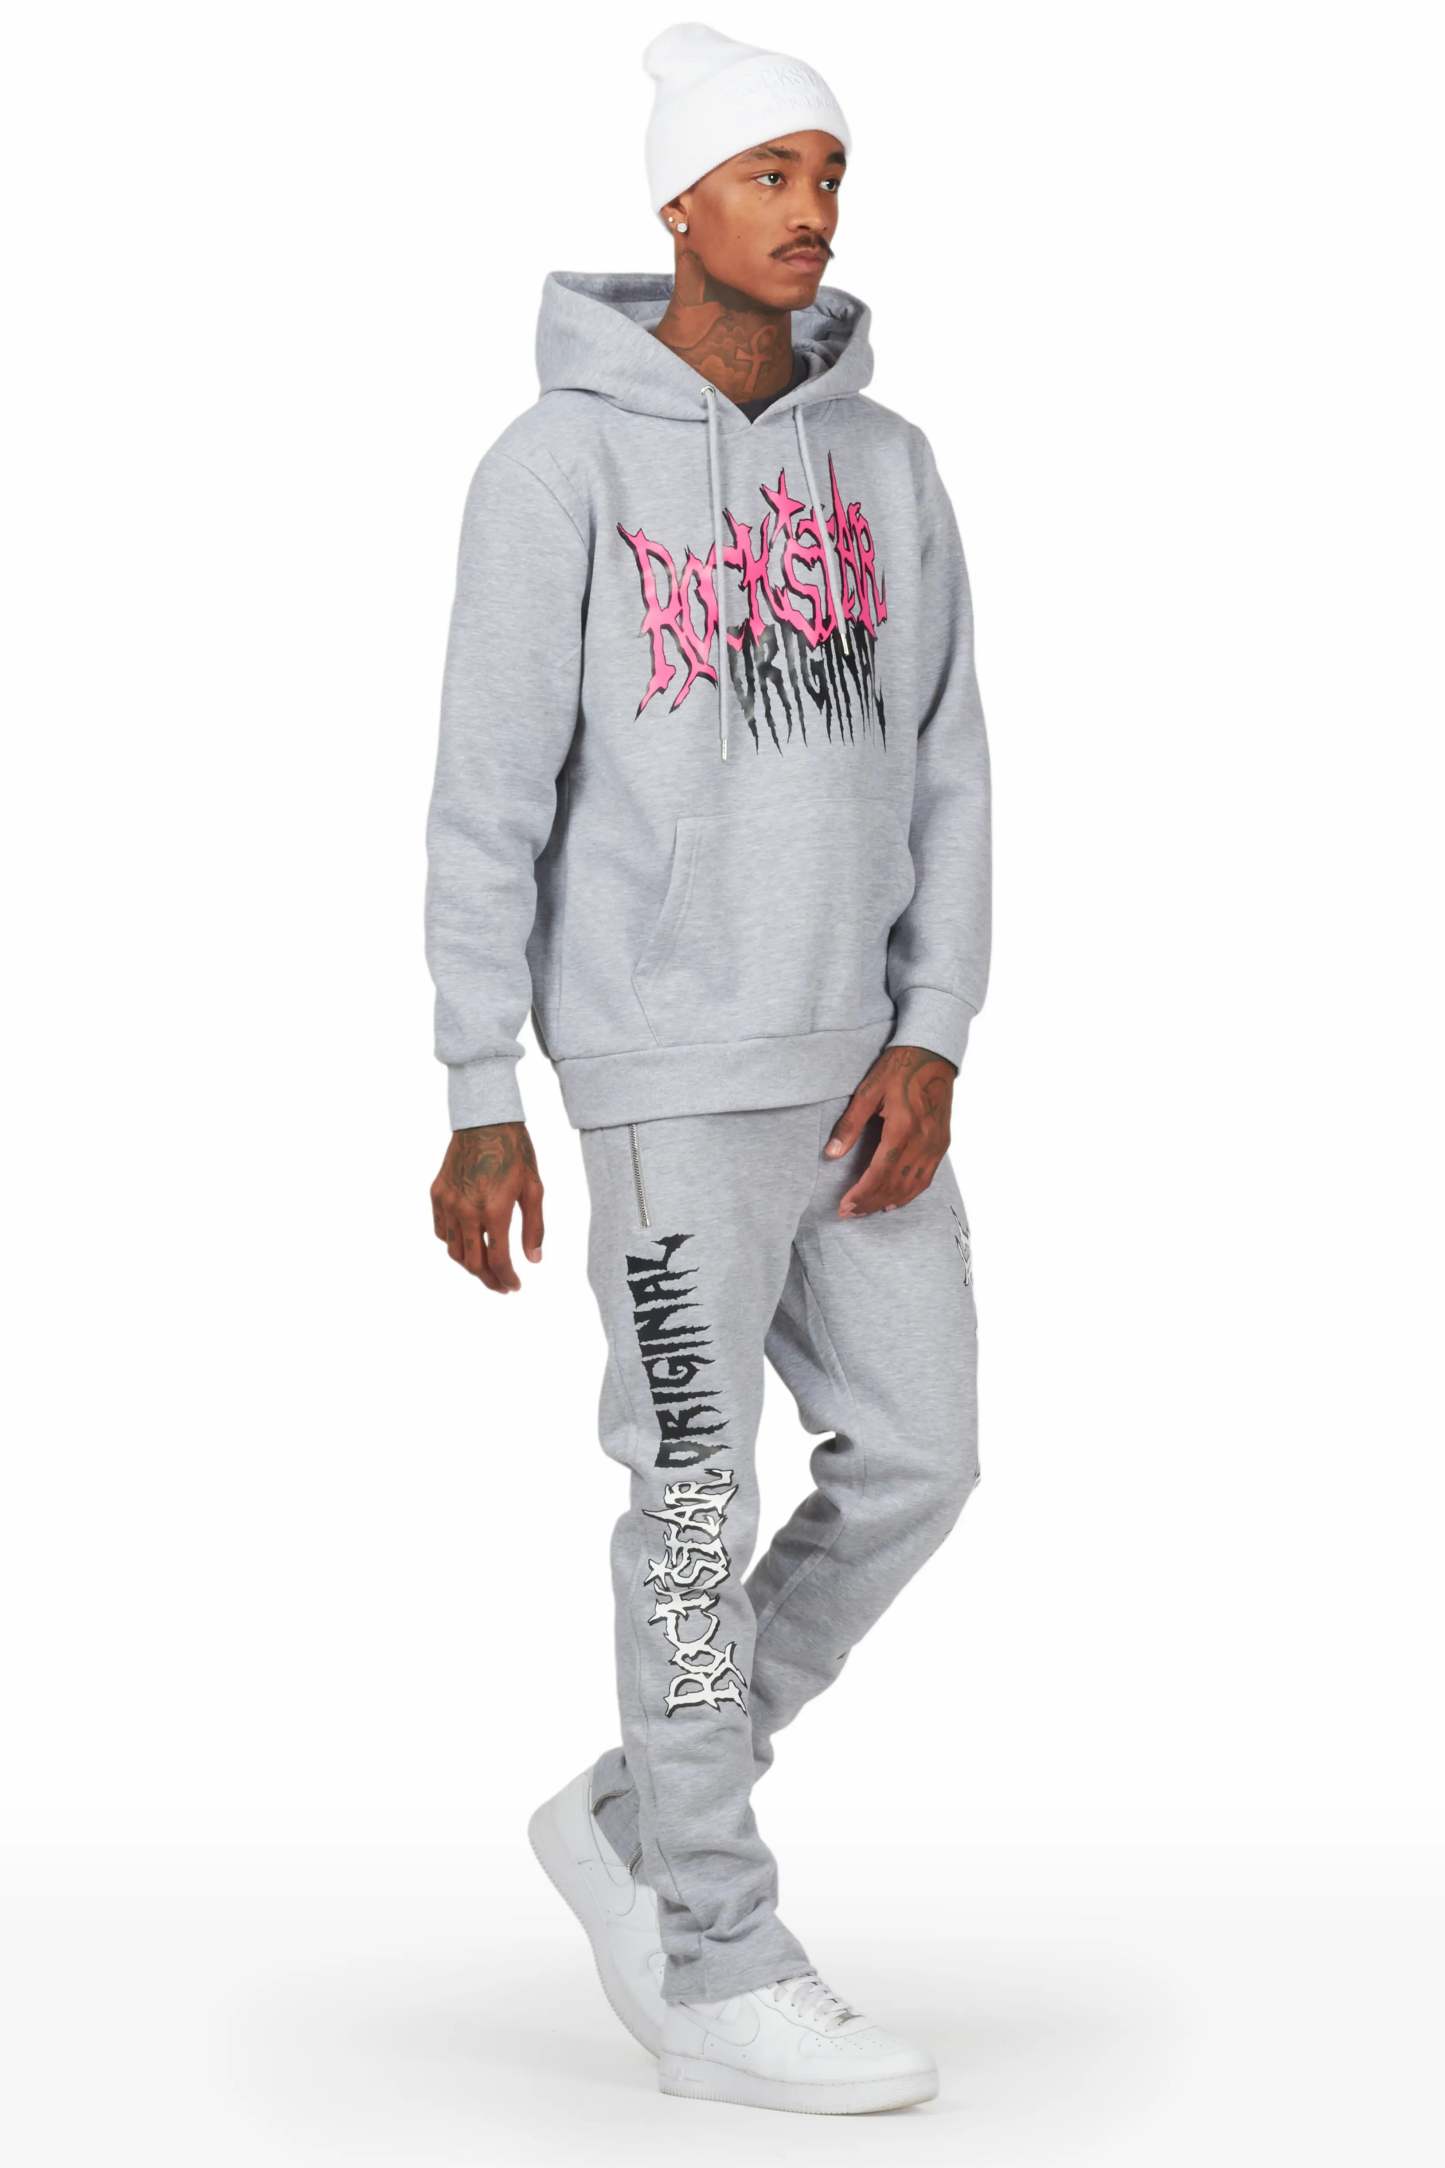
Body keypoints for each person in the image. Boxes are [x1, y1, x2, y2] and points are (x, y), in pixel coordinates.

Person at [424, 21, 991, 2116]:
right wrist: (478, 1080)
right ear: (677, 202)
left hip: (862, 1077)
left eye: (827, 175)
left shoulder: (889, 467)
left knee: (918, 1462)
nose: (809, 208)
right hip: (664, 1074)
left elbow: (950, 765)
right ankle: (713, 1948)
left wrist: (933, 1027)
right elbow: (489, 790)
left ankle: (637, 1810)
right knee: (688, 1503)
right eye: (768, 174)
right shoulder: (554, 468)